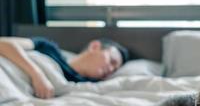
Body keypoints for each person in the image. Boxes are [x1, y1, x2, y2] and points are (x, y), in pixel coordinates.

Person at [0, 37, 129, 99]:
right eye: (112, 61)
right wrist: (37, 74)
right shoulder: (48, 48)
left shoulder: (84, 86)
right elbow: (4, 44)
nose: (111, 69)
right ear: (95, 47)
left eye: (115, 70)